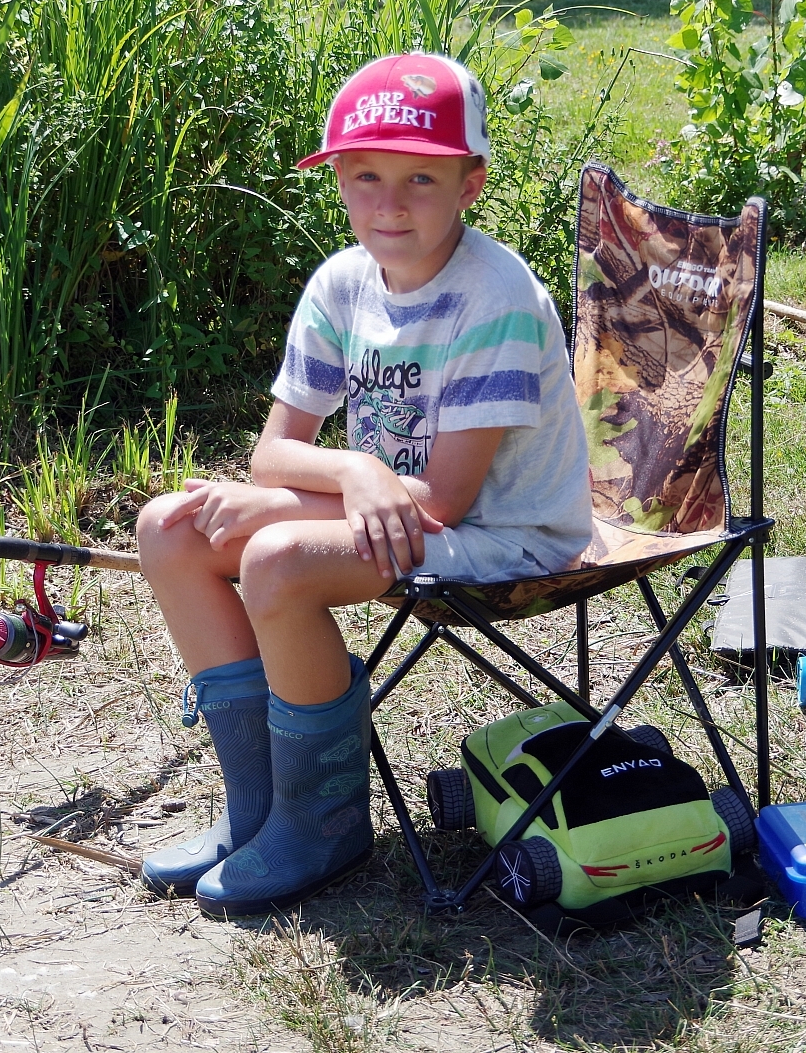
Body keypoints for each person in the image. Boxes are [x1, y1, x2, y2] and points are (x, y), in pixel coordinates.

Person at [136, 53, 592, 916]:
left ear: (470, 183)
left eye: (421, 178)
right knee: (170, 527)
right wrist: (353, 467)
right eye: (366, 176)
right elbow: (277, 451)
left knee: (276, 559)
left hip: (506, 533)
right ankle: (255, 808)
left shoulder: (494, 297)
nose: (390, 203)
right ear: (339, 181)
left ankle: (322, 823)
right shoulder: (343, 284)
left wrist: (305, 501)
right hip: (400, 509)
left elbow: (445, 502)